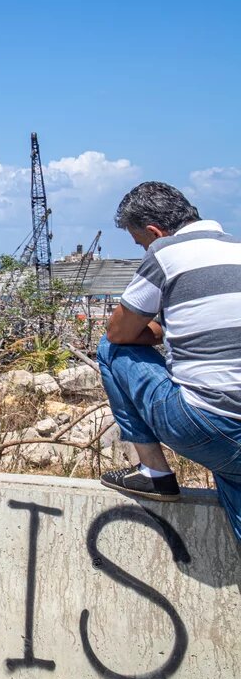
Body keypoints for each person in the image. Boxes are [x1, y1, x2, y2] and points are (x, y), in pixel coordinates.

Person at [98, 181, 241, 545]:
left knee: (110, 350)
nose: (144, 250)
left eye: (140, 242)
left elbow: (119, 332)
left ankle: (154, 471)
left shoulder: (166, 253)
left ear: (154, 232)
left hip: (209, 425)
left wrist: (156, 332)